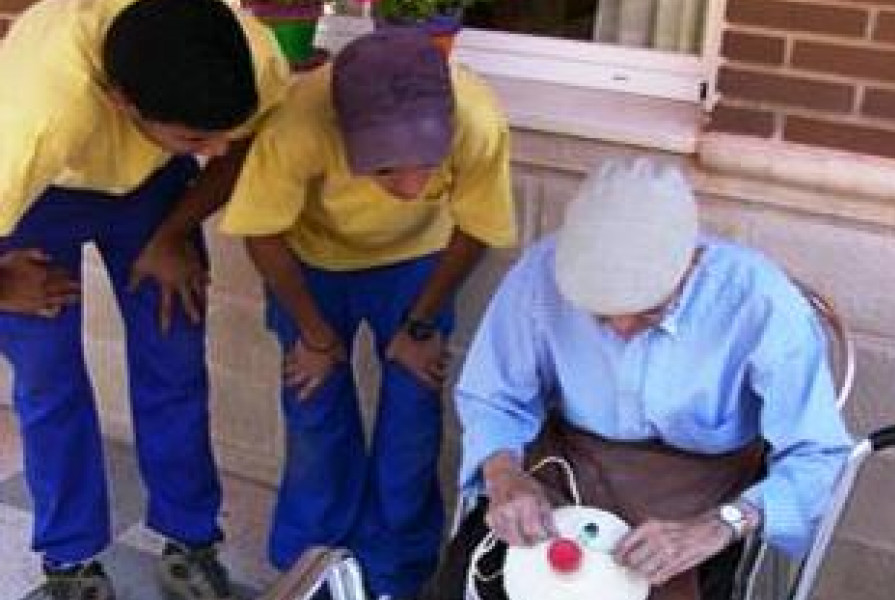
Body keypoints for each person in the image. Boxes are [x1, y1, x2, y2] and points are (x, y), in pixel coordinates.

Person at [444, 158, 852, 600]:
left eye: (649, 311)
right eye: (600, 315)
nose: (621, 329)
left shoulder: (762, 303)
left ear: (692, 262)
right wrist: (504, 474)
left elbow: (818, 456)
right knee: (474, 582)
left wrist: (722, 525)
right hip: (566, 467)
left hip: (703, 492)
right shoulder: (539, 274)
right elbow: (493, 397)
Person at [0, 0, 289, 598]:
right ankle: (70, 560)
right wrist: (4, 284)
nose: (212, 150)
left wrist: (175, 231)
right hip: (42, 194)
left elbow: (234, 149)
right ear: (120, 100)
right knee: (48, 376)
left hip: (153, 182)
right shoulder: (35, 114)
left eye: (219, 134)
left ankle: (191, 539)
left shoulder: (250, 57)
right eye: (195, 138)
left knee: (173, 349)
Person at [219, 29, 516, 600]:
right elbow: (262, 231)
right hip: (309, 263)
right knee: (314, 406)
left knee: (412, 410)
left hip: (417, 265)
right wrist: (314, 334)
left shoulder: (477, 119)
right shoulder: (298, 122)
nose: (411, 186)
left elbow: (478, 228)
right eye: (385, 170)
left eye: (426, 165)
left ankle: (396, 571)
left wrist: (421, 325)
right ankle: (311, 563)